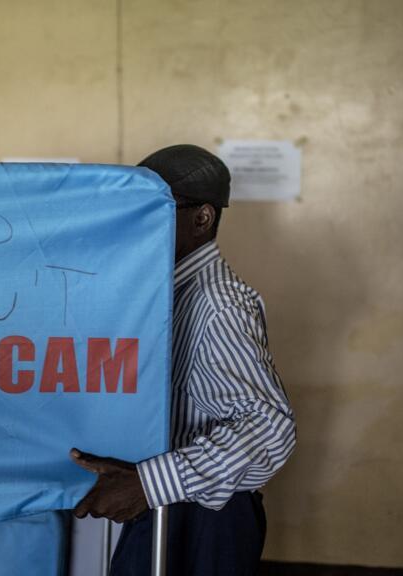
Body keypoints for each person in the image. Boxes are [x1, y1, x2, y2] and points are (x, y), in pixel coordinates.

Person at [70, 144, 296, 575]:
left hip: (205, 518)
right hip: (166, 501)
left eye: (154, 209)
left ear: (202, 218)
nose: (138, 223)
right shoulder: (164, 292)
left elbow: (270, 428)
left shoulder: (219, 304)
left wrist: (149, 483)